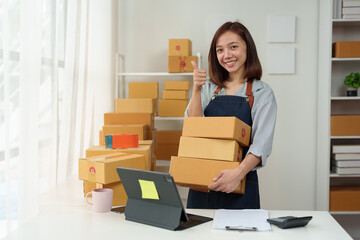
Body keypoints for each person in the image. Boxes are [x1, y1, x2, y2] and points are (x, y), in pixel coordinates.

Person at [185, 21, 277, 209]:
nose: (226, 55)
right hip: (203, 182)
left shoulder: (261, 93)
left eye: (233, 47)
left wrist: (237, 174)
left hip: (240, 182)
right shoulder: (208, 89)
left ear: (247, 48)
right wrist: (196, 89)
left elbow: (261, 144)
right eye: (220, 50)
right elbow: (194, 129)